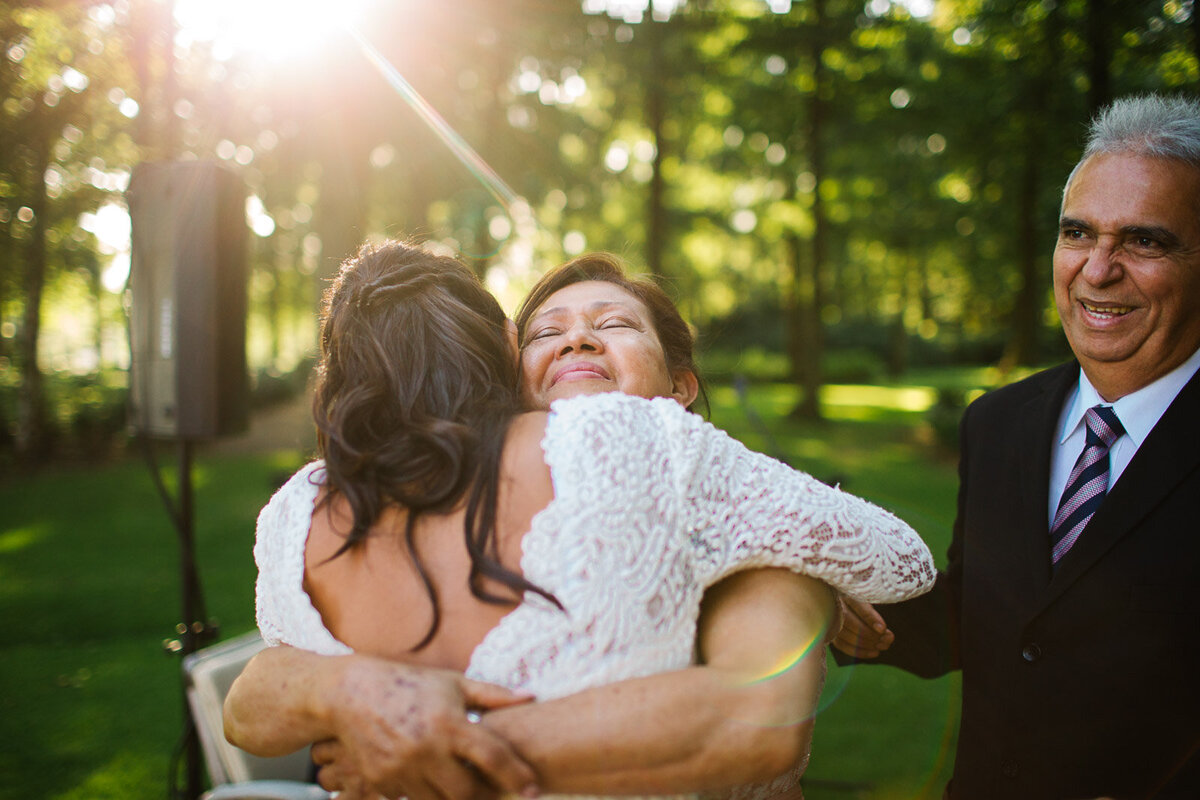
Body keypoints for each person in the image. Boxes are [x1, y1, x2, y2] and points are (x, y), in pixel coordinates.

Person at [229, 243, 936, 800]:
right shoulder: (619, 455)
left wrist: (785, 558)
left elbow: (756, 721)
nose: (577, 342)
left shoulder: (698, 475)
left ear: (681, 390)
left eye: (615, 325)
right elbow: (259, 692)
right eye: (549, 332)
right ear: (509, 362)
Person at [832, 93, 1200, 799]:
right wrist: (832, 599)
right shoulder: (998, 423)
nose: (1097, 270)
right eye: (1077, 233)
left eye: (1144, 240)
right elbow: (989, 612)